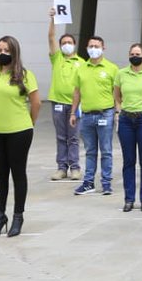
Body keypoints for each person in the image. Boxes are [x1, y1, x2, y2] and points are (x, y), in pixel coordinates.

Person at [0, 35, 40, 237]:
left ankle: (18, 216)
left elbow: (36, 103)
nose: (2, 54)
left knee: (18, 173)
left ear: (14, 52)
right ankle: (0, 217)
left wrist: (29, 123)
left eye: (6, 50)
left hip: (19, 131)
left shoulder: (25, 75)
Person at [70, 36, 119, 196]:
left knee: (106, 150)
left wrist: (118, 111)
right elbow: (77, 92)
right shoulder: (81, 68)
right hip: (86, 116)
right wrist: (73, 112)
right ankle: (88, 182)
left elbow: (117, 92)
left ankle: (106, 183)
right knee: (90, 150)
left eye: (96, 46)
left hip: (106, 113)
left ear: (103, 48)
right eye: (91, 46)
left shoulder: (112, 68)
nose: (93, 48)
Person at [114, 43, 142, 212]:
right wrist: (118, 111)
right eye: (132, 53)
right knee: (129, 161)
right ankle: (129, 199)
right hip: (126, 120)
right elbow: (117, 95)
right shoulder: (121, 73)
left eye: (138, 53)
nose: (134, 56)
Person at [48, 11, 83, 181]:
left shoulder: (82, 62)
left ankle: (75, 167)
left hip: (75, 105)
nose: (66, 45)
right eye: (64, 43)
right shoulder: (57, 59)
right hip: (58, 103)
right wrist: (53, 20)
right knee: (61, 136)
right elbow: (51, 37)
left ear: (75, 45)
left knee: (74, 137)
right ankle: (62, 167)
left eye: (69, 42)